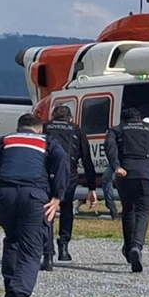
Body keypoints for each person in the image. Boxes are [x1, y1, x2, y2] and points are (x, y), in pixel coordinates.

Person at [0, 114, 68, 297]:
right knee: (32, 250)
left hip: (4, 194)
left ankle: (9, 292)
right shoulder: (47, 142)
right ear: (39, 129)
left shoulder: (4, 140)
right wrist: (57, 197)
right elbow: (62, 163)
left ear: (19, 128)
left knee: (12, 240)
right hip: (33, 196)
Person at [104, 107, 149, 273]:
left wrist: (116, 166)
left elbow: (109, 146)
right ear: (140, 118)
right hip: (148, 174)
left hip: (125, 173)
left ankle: (129, 249)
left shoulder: (116, 130)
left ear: (123, 119)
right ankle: (136, 246)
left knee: (128, 211)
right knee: (143, 212)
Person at [42, 105, 97, 265]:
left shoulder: (45, 128)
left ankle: (48, 250)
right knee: (66, 209)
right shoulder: (77, 130)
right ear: (70, 118)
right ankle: (64, 246)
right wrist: (91, 187)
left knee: (47, 209)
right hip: (69, 176)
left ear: (53, 116)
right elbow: (87, 160)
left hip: (47, 174)